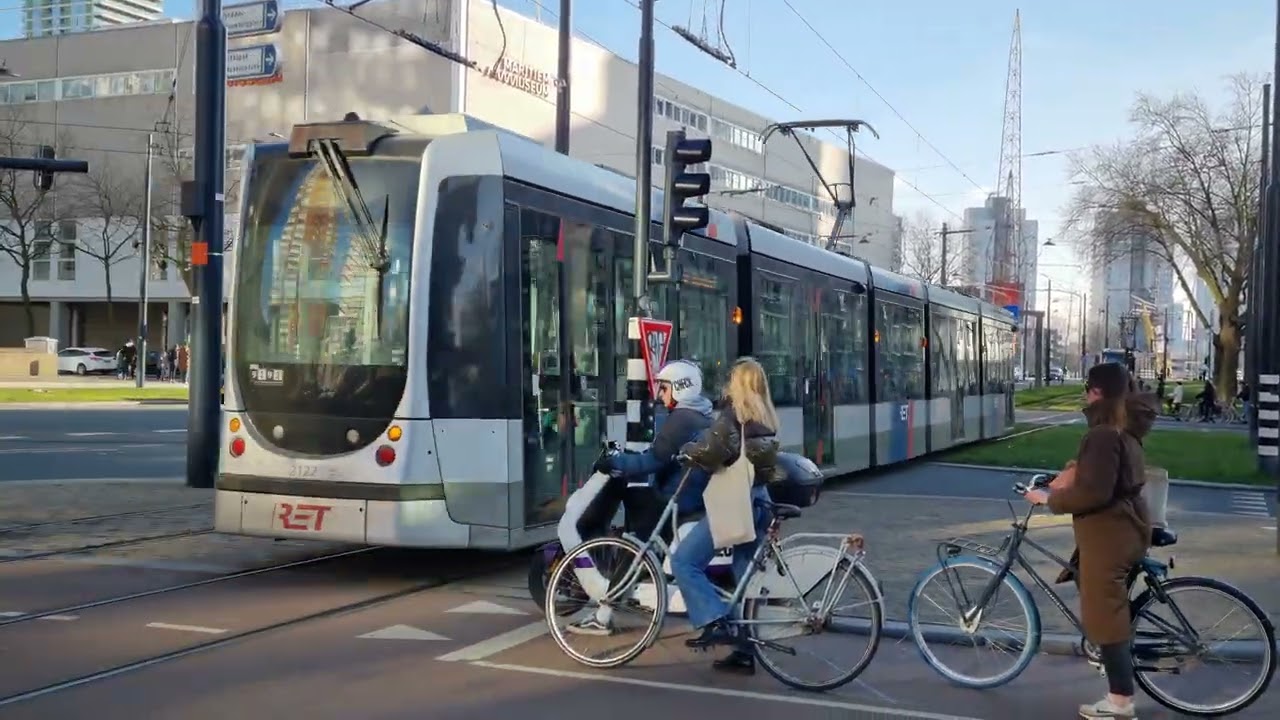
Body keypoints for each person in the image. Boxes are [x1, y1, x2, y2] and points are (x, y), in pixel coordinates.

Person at [1024, 363, 1150, 719]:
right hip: (1125, 528)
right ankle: (1108, 659)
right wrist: (1071, 472)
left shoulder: (1102, 434)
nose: (1084, 395)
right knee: (1091, 588)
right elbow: (1104, 470)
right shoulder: (1120, 427)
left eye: (1087, 389)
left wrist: (1048, 500)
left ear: (1096, 392)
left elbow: (1095, 492)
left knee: (1105, 615)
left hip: (1111, 536)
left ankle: (1120, 702)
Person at [561, 359, 714, 637]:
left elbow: (654, 460)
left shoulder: (682, 418)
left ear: (681, 388)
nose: (660, 395)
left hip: (673, 502)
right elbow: (667, 458)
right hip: (687, 498)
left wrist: (615, 461)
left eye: (665, 388)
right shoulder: (702, 415)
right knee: (629, 498)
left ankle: (603, 603)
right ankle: (602, 536)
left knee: (632, 534)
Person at [671, 357, 781, 675]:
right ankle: (745, 650)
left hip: (737, 503)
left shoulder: (734, 417)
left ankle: (714, 620)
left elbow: (710, 451)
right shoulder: (766, 416)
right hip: (760, 501)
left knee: (685, 561)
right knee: (743, 577)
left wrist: (688, 451)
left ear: (738, 384)